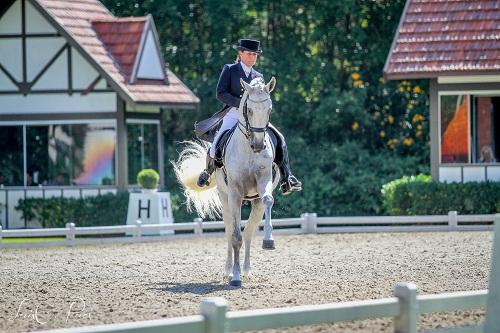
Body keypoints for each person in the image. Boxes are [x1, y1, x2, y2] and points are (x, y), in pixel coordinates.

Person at [195, 38, 302, 195]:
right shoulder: (230, 69)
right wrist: (241, 103)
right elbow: (221, 93)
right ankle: (207, 171)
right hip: (233, 113)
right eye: (250, 53)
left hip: (255, 118)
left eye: (255, 54)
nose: (253, 57)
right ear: (241, 53)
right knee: (216, 145)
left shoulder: (258, 76)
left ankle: (287, 177)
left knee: (279, 138)